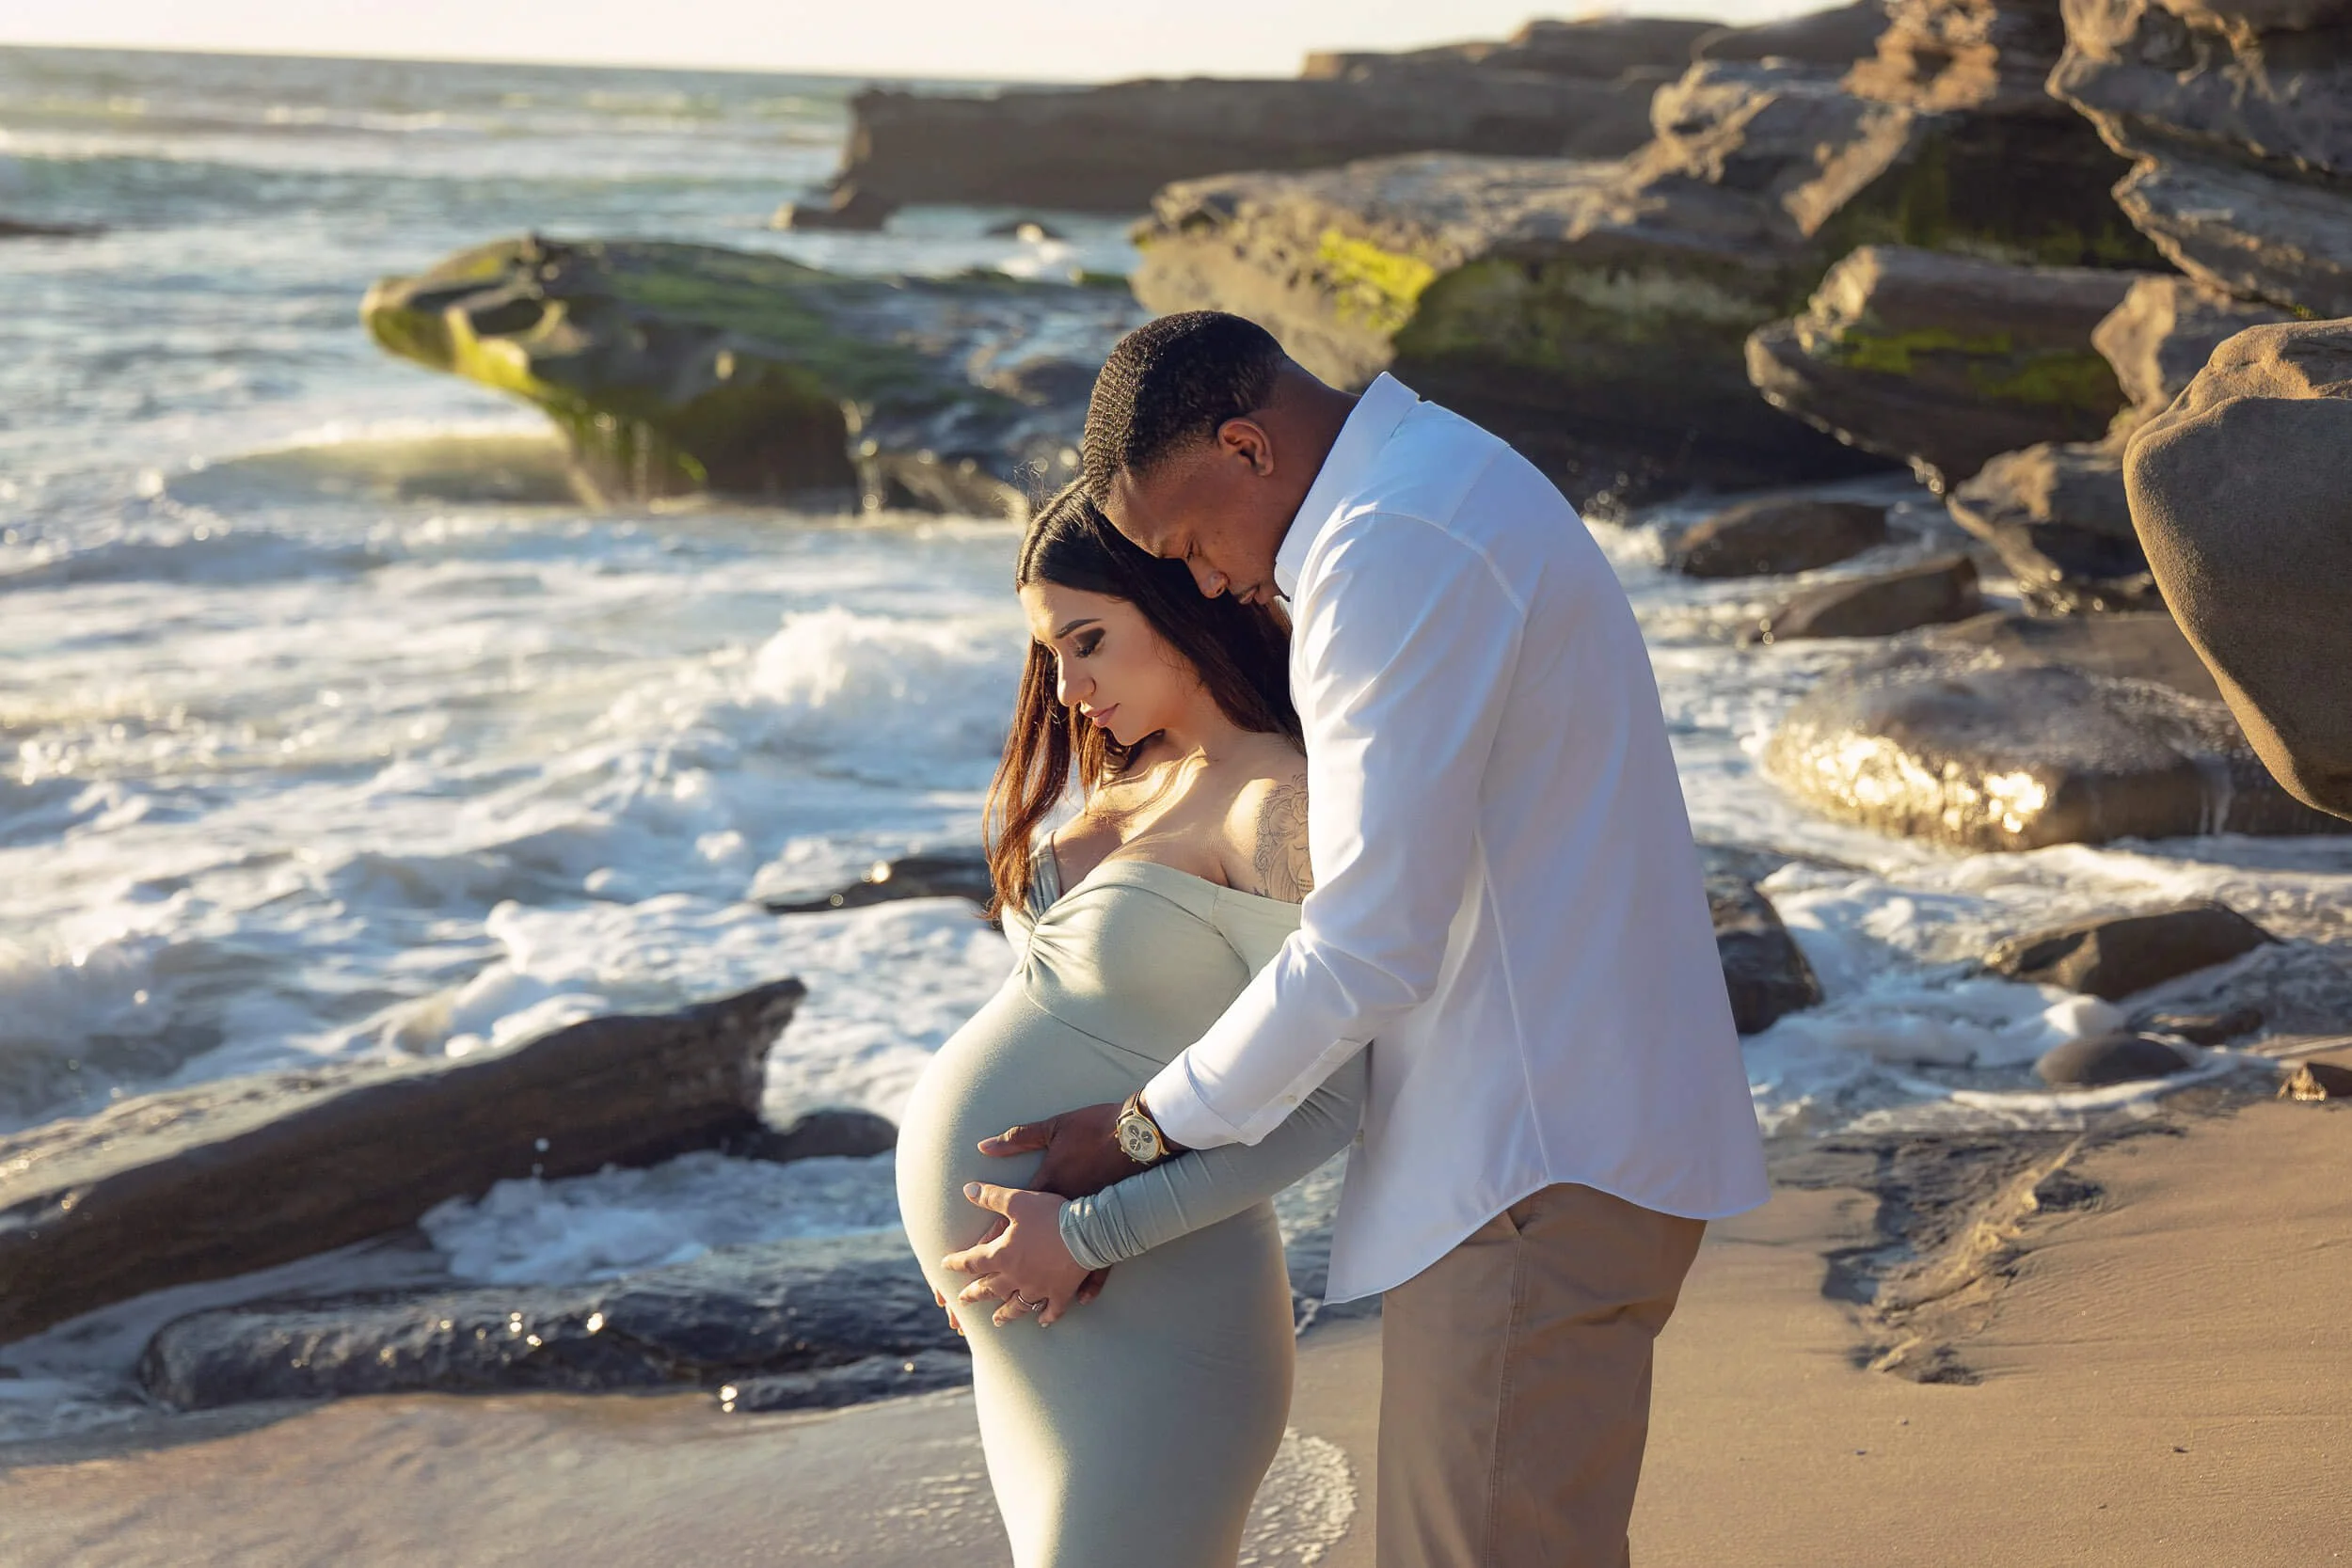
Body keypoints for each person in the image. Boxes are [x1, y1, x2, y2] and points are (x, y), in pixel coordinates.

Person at [943, 311, 1771, 1567]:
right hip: (1551, 1146)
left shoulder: (1390, 542)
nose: (1204, 582)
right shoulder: (1436, 486)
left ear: (1245, 446)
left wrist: (1142, 1128)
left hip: (1529, 1160)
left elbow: (1371, 936)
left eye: (1189, 542)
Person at [894, 482, 1367, 1567]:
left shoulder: (1276, 804)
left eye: (1089, 640)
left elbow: (1331, 1098)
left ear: (1180, 600)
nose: (1066, 686)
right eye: (1049, 652)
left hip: (1157, 1304)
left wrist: (1082, 1235)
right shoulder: (1137, 774)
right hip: (1040, 1322)